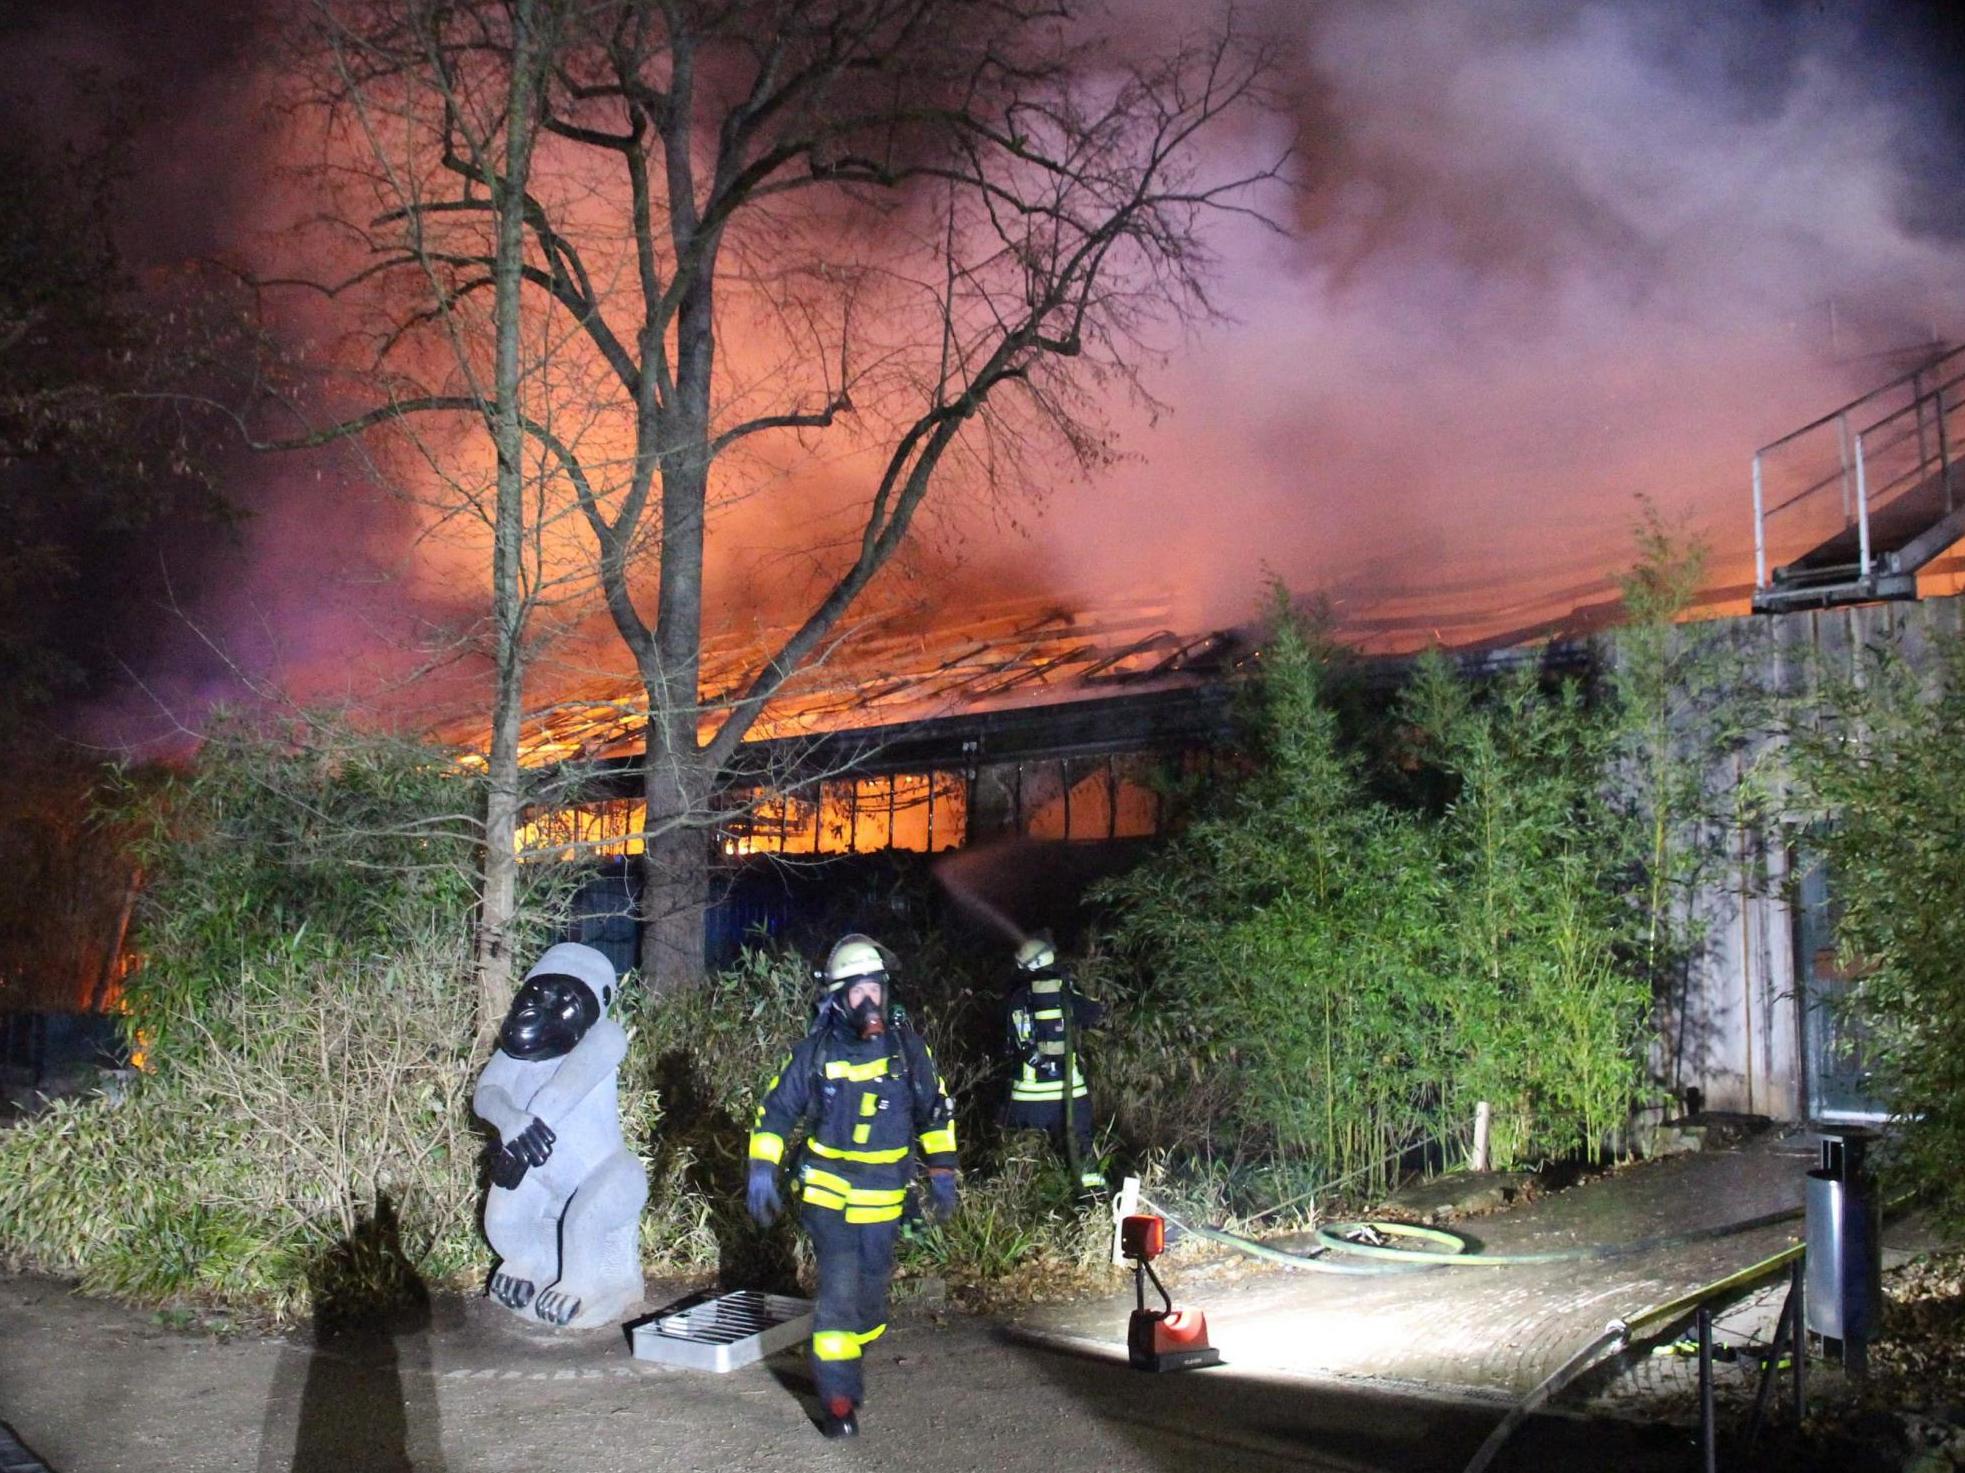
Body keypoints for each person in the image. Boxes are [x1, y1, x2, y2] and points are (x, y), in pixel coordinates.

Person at [746, 933, 958, 1439]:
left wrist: (943, 1170)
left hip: (884, 1195)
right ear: (837, 998)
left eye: (875, 990)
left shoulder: (908, 1050)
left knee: (869, 1298)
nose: (869, 1002)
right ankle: (838, 1401)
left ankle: (844, 1349)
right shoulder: (816, 1051)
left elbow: (935, 1110)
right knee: (838, 1290)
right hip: (827, 1191)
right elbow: (774, 1113)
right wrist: (761, 1168)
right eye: (856, 992)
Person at [1002, 936, 1105, 1193]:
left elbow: (1008, 1040)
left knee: (1021, 1156)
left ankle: (1028, 1205)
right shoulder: (1064, 992)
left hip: (1027, 1097)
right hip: (1070, 1093)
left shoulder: (1015, 997)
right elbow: (1096, 1012)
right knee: (1082, 1152)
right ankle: (1091, 1204)